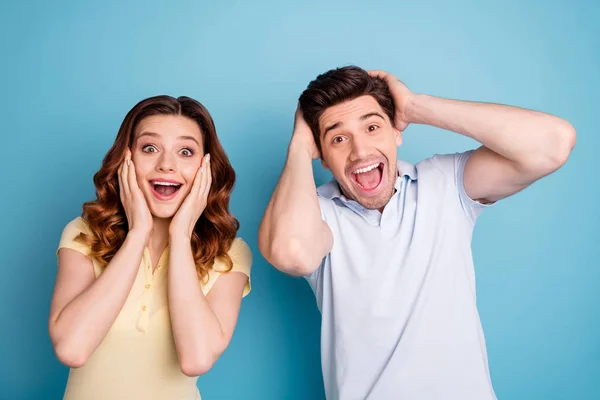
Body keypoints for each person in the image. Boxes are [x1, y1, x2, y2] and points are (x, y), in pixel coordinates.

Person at [258, 66, 575, 399]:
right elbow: (291, 252)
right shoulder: (315, 213)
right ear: (320, 155)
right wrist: (297, 146)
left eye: (372, 127)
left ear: (396, 132)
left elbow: (554, 143)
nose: (360, 151)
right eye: (338, 138)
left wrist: (414, 108)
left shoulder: (445, 183)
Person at [49, 95, 252, 400]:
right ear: (127, 158)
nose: (166, 164)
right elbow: (72, 349)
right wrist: (138, 233)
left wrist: (181, 235)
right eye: (150, 148)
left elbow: (196, 359)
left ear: (205, 167)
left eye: (185, 151)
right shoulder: (84, 235)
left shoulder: (229, 254)